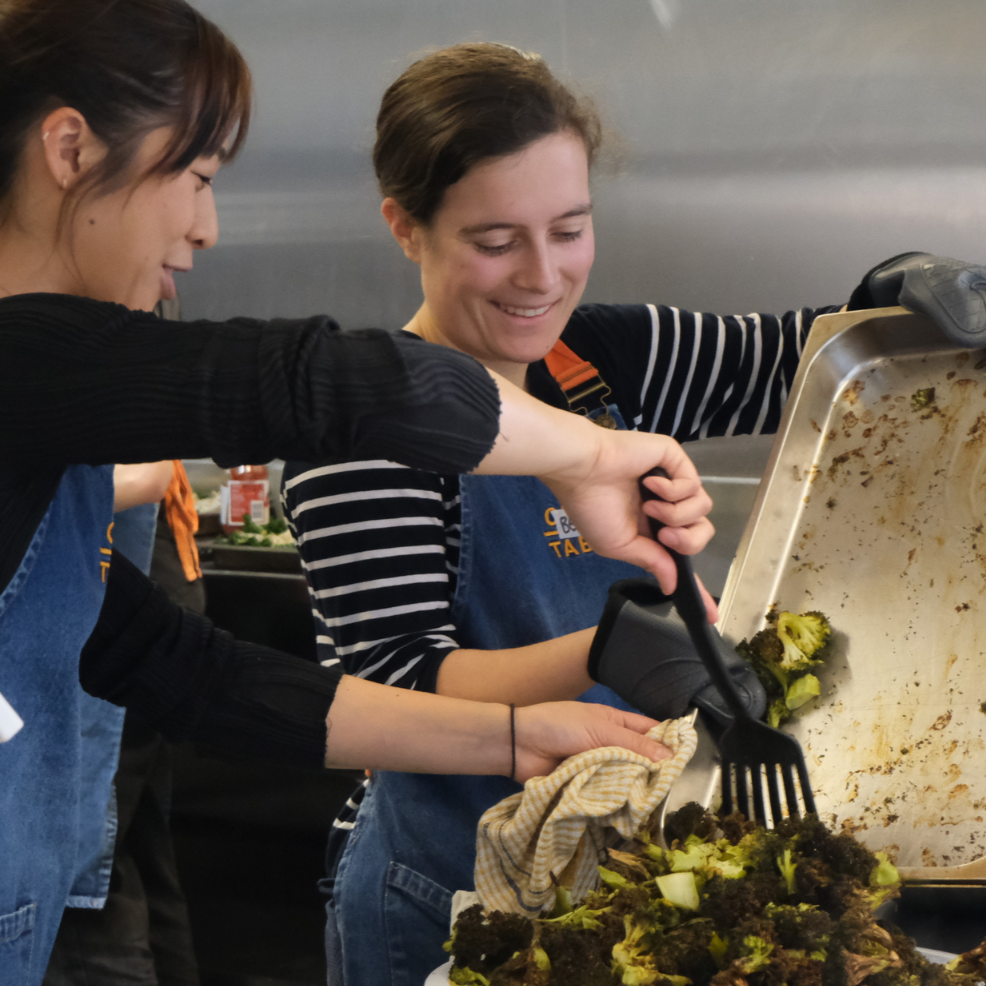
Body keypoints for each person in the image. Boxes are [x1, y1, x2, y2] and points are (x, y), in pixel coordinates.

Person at [0, 5, 720, 984]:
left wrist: (515, 736)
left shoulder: (49, 430)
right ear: (71, 147)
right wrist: (586, 456)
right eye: (198, 177)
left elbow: (193, 674)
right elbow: (323, 384)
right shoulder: (20, 360)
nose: (207, 227)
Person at [280, 41, 986, 985]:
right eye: (496, 242)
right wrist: (603, 651)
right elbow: (397, 686)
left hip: (624, 871)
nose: (542, 277)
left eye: (569, 229)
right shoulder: (359, 426)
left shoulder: (604, 358)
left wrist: (890, 296)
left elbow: (799, 366)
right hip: (442, 885)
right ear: (405, 227)